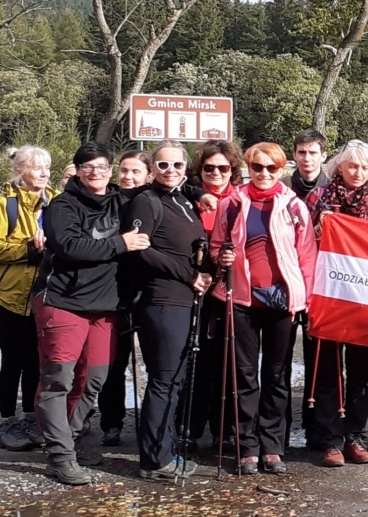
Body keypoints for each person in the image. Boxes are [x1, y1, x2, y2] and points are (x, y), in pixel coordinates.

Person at [37, 142, 150, 485]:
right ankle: (60, 455)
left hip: (105, 307)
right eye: (88, 167)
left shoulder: (121, 200)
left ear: (110, 169)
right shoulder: (62, 205)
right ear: (78, 170)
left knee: (94, 379)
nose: (96, 172)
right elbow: (69, 246)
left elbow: (159, 188)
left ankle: (69, 438)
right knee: (59, 380)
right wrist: (120, 244)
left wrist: (195, 192)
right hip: (63, 301)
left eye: (102, 166)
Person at [208, 142, 314, 476]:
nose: (264, 174)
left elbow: (307, 256)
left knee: (277, 376)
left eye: (271, 168)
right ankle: (247, 447)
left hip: (283, 302)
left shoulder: (295, 207)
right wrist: (219, 258)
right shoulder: (233, 203)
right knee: (244, 376)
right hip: (242, 299)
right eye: (257, 168)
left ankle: (273, 447)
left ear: (281, 169)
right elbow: (215, 246)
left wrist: (306, 300)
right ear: (248, 169)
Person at [121, 141, 212, 480]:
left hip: (184, 300)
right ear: (152, 169)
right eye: (162, 165)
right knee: (163, 380)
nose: (170, 171)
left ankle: (165, 451)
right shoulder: (147, 201)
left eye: (176, 165)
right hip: (160, 302)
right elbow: (140, 250)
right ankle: (154, 460)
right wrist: (189, 275)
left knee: (175, 381)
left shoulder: (184, 199)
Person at [305, 140, 368, 467]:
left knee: (362, 370)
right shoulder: (317, 198)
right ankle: (330, 439)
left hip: (364, 297)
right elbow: (303, 243)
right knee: (326, 368)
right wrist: (318, 228)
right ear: (338, 166)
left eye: (365, 167)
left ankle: (356, 435)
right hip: (327, 293)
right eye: (352, 165)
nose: (358, 172)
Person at [0, 147, 56, 453]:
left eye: (47, 168)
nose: (43, 174)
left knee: (36, 361)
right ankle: (7, 422)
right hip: (7, 297)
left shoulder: (58, 202)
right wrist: (29, 249)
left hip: (44, 295)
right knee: (13, 360)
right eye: (36, 168)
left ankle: (31, 417)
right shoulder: (5, 205)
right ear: (20, 172)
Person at [183, 140, 242, 455]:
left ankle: (226, 429)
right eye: (209, 168)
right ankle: (189, 427)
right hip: (191, 285)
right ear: (200, 170)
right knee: (195, 361)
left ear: (233, 170)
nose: (216, 173)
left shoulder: (240, 200)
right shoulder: (187, 200)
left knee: (227, 361)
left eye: (224, 168)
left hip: (227, 287)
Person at [100, 149, 152, 447]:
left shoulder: (156, 200)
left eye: (135, 171)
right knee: (114, 362)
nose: (128, 176)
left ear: (148, 175)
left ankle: (153, 419)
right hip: (114, 290)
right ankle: (112, 422)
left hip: (148, 289)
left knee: (154, 361)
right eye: (124, 171)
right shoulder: (109, 201)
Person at [286, 130, 329, 201]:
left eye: (312, 153)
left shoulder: (333, 191)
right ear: (294, 155)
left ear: (323, 156)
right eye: (302, 152)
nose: (307, 158)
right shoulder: (282, 187)